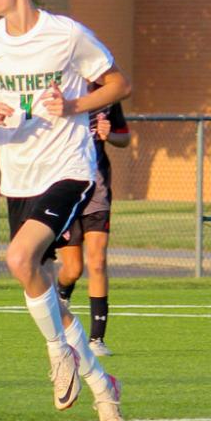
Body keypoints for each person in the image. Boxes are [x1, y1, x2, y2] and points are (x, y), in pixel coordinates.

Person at [0, 0, 132, 421]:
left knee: (17, 259)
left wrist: (74, 105)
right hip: (19, 178)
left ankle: (57, 353)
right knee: (45, 289)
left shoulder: (67, 35)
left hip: (69, 170)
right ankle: (103, 387)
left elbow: (118, 85)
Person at [56, 101, 131, 357]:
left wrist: (110, 135)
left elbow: (125, 138)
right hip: (63, 188)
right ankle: (60, 296)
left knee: (97, 261)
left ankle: (97, 339)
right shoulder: (62, 90)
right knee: (73, 268)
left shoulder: (107, 97)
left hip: (97, 192)